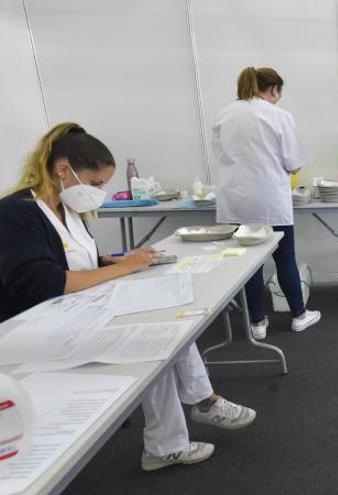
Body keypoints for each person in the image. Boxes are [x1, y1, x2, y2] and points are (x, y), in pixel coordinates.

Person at [0, 123, 256, 471]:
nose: (99, 192)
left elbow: (72, 259)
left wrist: (114, 260)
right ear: (63, 170)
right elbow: (44, 281)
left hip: (70, 314)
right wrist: (125, 268)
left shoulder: (65, 211)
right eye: (95, 184)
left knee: (170, 317)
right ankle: (179, 431)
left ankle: (199, 406)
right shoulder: (17, 213)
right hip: (33, 333)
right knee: (153, 340)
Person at [213, 66, 321, 339]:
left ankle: (257, 323)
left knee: (250, 263)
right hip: (270, 201)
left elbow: (221, 156)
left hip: (236, 201)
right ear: (274, 90)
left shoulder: (224, 115)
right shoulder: (279, 116)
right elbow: (295, 164)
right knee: (284, 258)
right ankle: (299, 315)